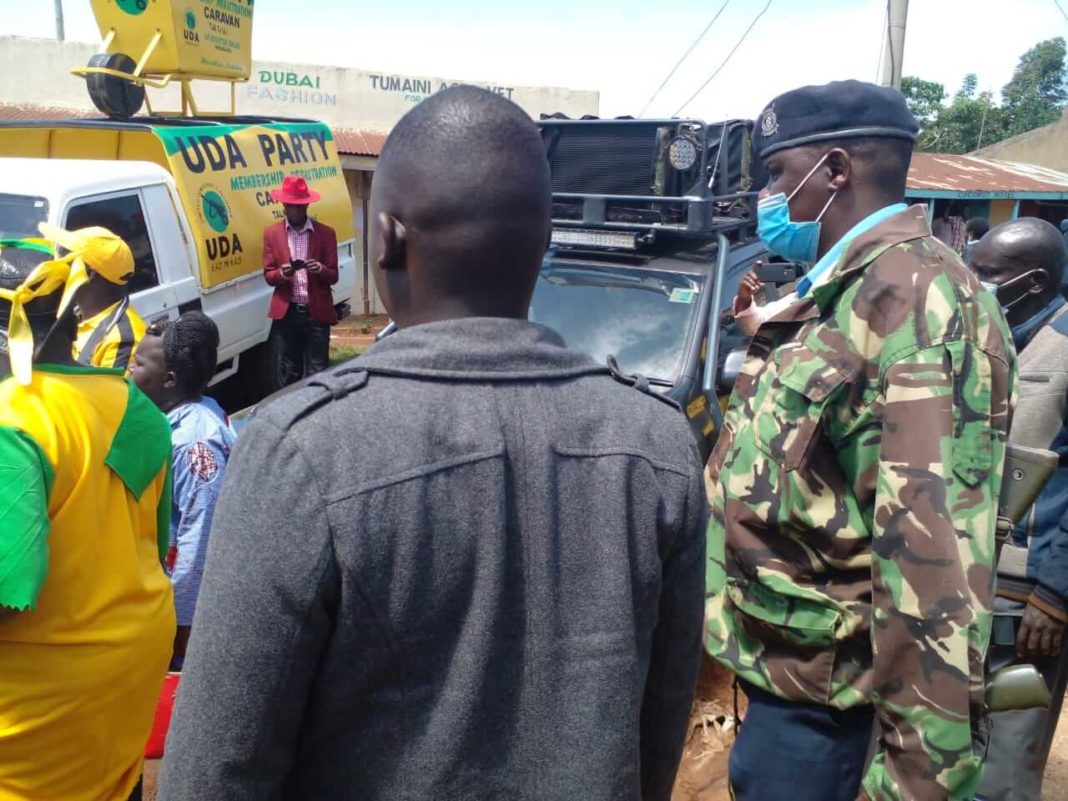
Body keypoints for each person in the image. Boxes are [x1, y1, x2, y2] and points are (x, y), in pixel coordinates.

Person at [159, 86, 707, 801]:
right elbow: (660, 730)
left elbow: (216, 768)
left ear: (384, 240)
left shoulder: (301, 451)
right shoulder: (659, 445)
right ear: (544, 243)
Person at [704, 80, 1017, 801]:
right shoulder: (845, 290)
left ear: (835, 170)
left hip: (839, 729)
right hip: (788, 697)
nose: (768, 196)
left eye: (779, 174)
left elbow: (933, 571)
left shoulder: (921, 306)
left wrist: (915, 779)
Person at [0, 238, 174, 801]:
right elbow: (155, 541)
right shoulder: (137, 407)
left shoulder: (13, 419)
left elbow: (9, 587)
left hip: (43, 699)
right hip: (127, 674)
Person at [969, 218, 1068, 801]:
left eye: (987, 273)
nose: (973, 282)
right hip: (962, 584)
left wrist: (1054, 595)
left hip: (1026, 600)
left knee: (1005, 758)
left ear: (1032, 281)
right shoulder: (985, 339)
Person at [131, 311, 235, 670]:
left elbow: (200, 535)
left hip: (187, 619)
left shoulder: (194, 442)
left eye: (139, 364)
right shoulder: (179, 417)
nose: (130, 372)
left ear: (169, 379)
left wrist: (183, 625)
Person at [38, 223, 146, 372]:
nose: (59, 262)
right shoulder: (74, 312)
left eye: (67, 258)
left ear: (89, 273)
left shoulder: (121, 339)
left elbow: (107, 394)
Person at [262, 174, 339, 384]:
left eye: (300, 206)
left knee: (319, 370)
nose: (295, 211)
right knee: (290, 370)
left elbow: (333, 276)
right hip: (288, 313)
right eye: (291, 206)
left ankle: (318, 412)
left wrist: (320, 269)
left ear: (307, 205)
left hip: (316, 313)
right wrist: (282, 273)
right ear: (284, 205)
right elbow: (269, 275)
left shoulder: (326, 233)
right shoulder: (272, 234)